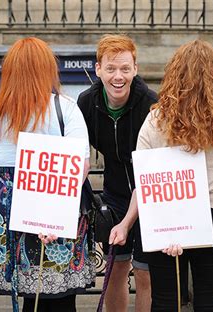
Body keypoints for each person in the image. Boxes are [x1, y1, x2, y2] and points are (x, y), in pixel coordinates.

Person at [110, 39, 213, 311]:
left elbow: (143, 180)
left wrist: (127, 223)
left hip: (166, 219)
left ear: (174, 74)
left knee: (166, 300)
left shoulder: (156, 119)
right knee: (211, 302)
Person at [0, 37, 93, 312]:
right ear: (47, 69)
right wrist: (52, 217)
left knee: (29, 298)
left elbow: (2, 168)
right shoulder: (65, 108)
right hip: (58, 206)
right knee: (61, 300)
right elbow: (80, 165)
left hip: (12, 214)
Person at [77, 34, 157, 311]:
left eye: (125, 68)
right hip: (114, 196)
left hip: (149, 194)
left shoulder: (150, 103)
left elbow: (153, 167)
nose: (118, 76)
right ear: (98, 69)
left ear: (135, 68)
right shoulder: (86, 103)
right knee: (114, 271)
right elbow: (75, 155)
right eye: (110, 69)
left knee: (146, 274)